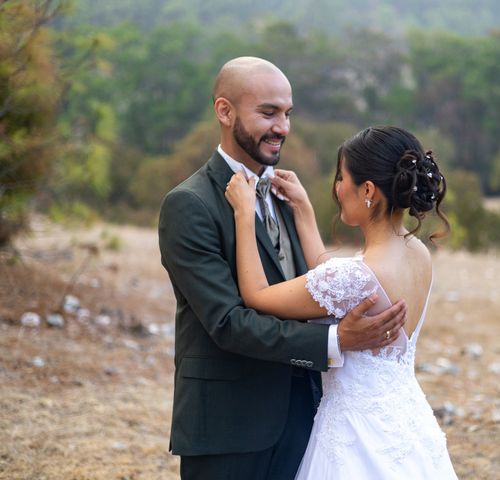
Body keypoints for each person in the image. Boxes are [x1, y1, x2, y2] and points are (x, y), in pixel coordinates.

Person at [158, 57, 407, 480]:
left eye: (288, 114)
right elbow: (228, 322)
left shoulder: (286, 193)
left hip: (307, 420)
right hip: (229, 427)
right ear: (225, 111)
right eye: (268, 113)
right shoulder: (190, 205)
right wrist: (334, 340)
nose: (283, 127)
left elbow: (314, 286)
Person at [224, 125, 459, 479]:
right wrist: (303, 209)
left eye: (340, 177)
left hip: (356, 433)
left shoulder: (355, 275)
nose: (337, 188)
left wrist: (244, 214)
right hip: (405, 422)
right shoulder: (418, 254)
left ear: (366, 190)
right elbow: (332, 278)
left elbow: (257, 295)